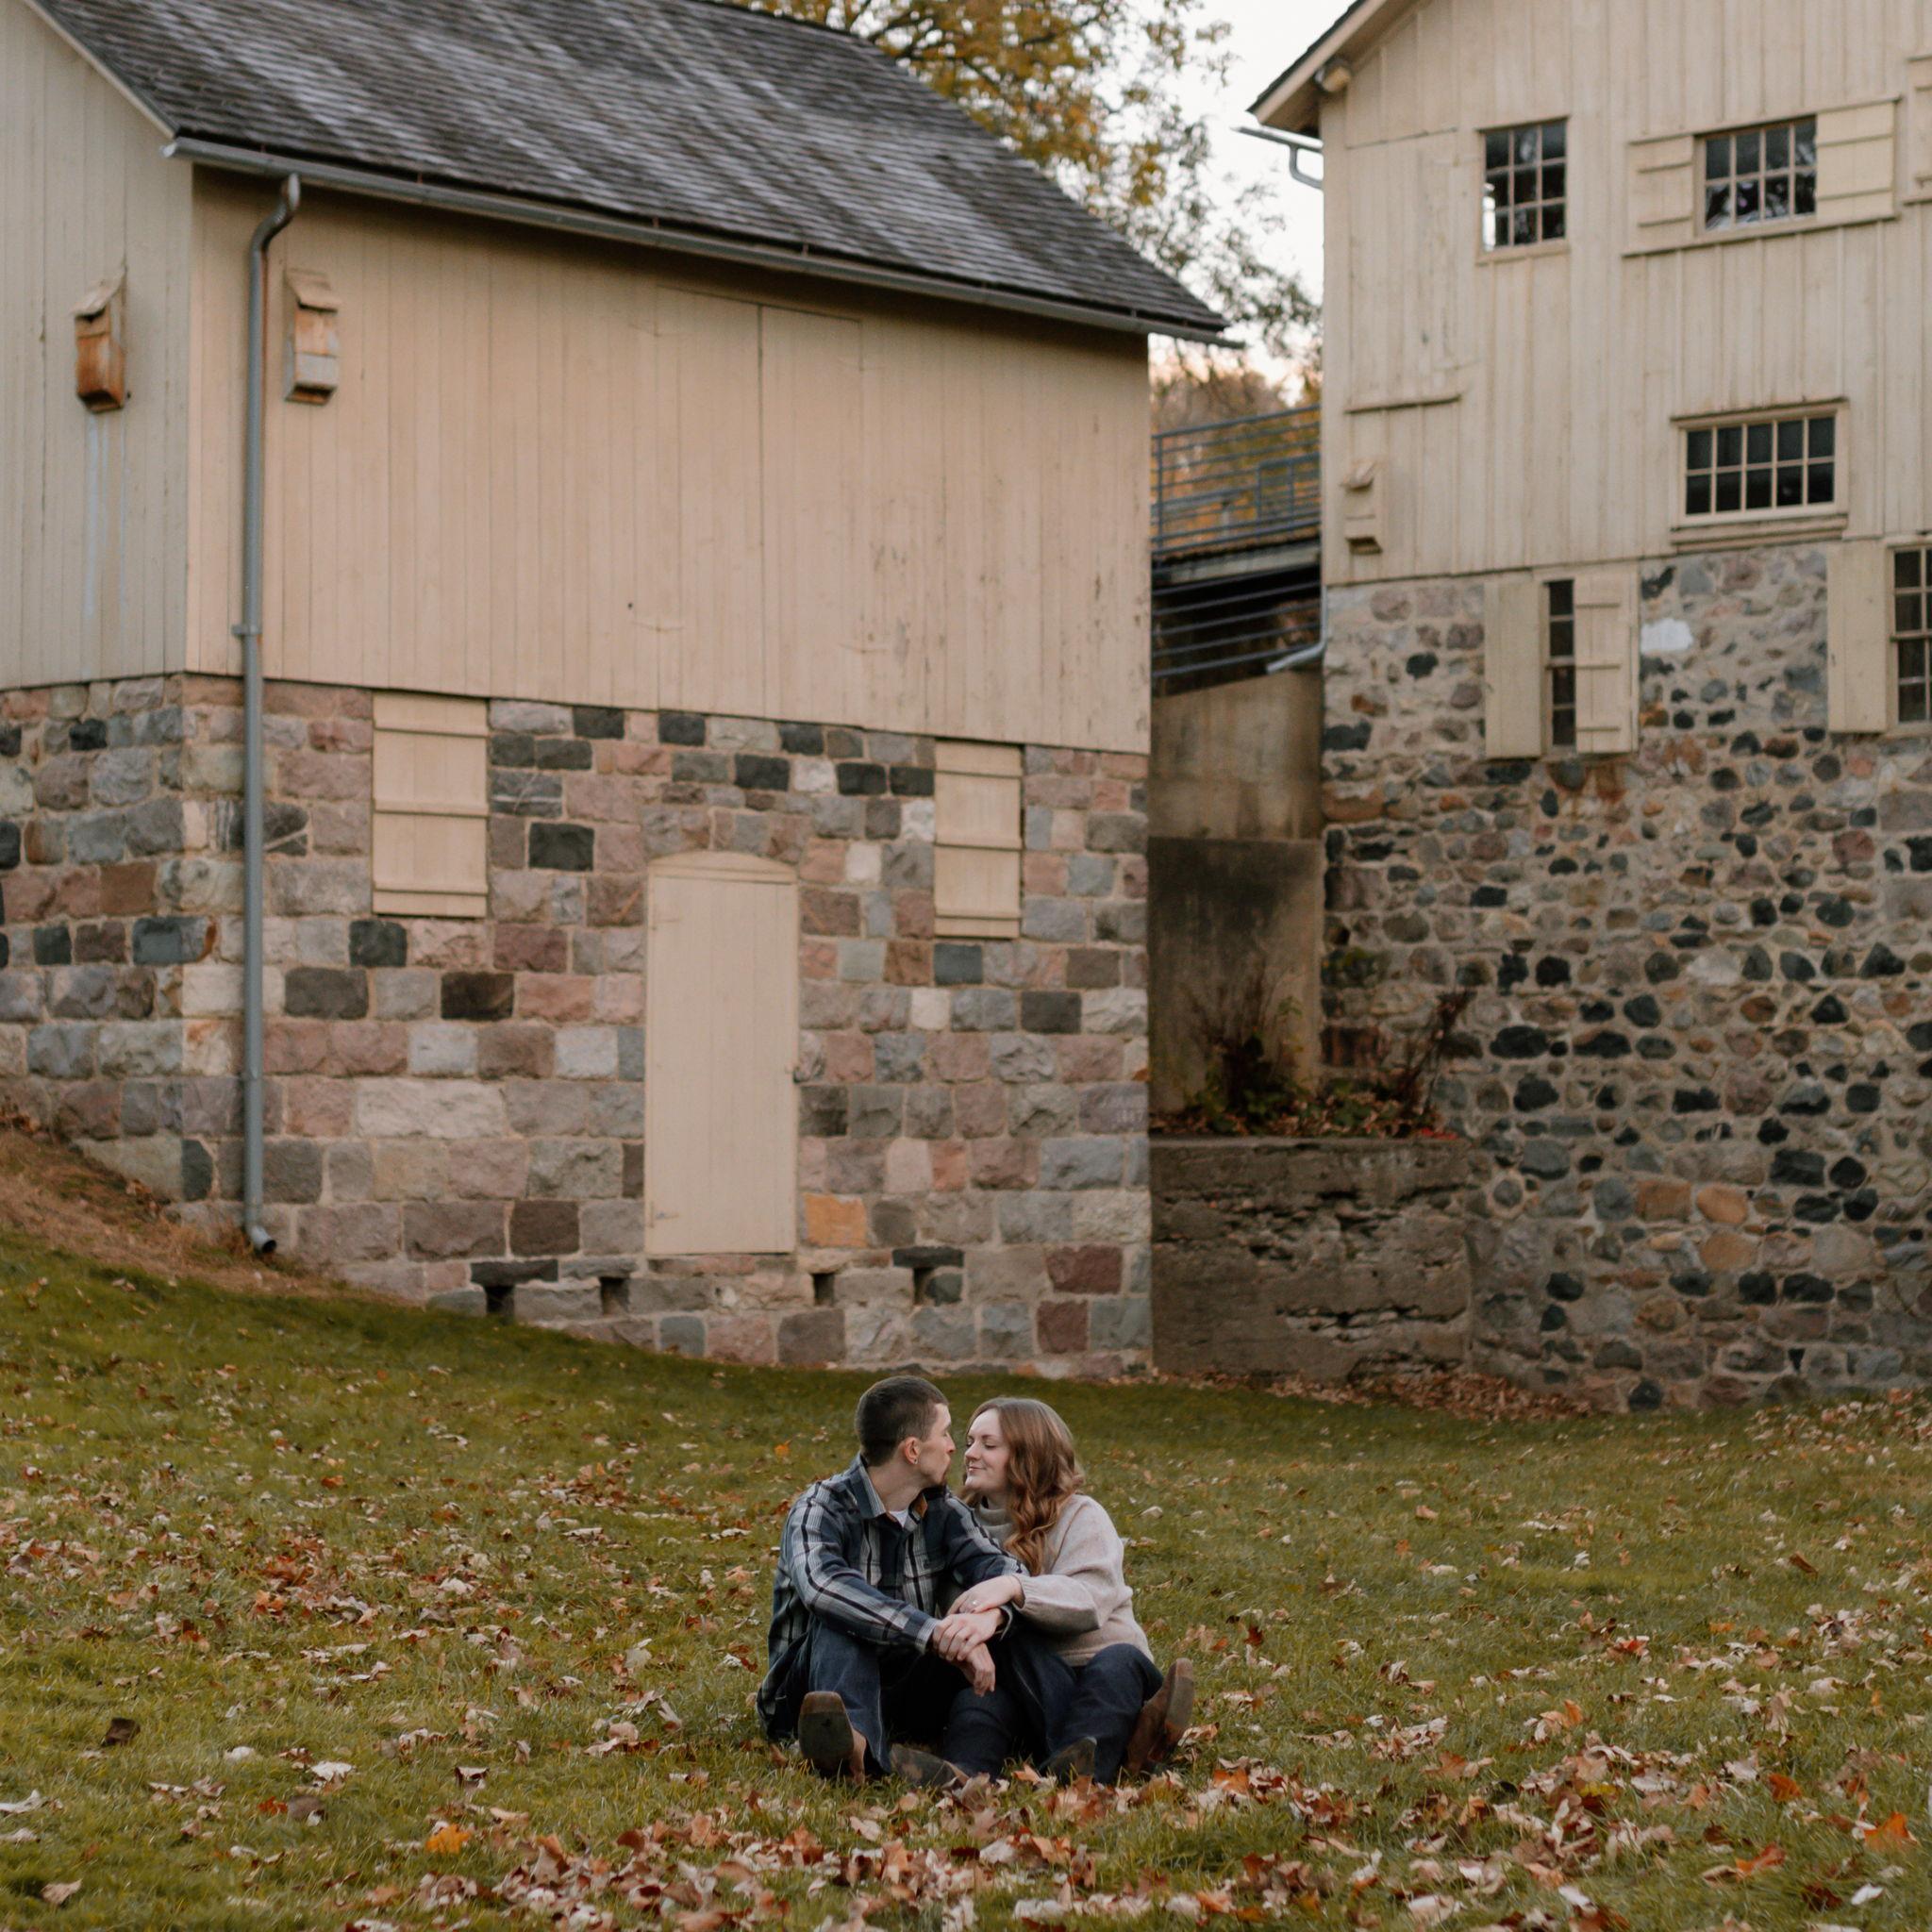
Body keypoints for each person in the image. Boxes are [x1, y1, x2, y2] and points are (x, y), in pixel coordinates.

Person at [758, 1374, 1024, 1782]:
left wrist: (984, 1621)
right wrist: (932, 1632)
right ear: (913, 1450)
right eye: (945, 1433)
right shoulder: (821, 1507)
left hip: (903, 1683)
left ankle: (972, 1766)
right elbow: (824, 1587)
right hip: (811, 1690)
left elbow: (1007, 1571)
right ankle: (849, 1746)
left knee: (1001, 1634)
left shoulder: (942, 1510)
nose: (954, 1446)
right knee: (841, 1618)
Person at [940, 1397, 1192, 1784]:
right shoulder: (957, 1525)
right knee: (979, 1699)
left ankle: (1077, 1775)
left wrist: (1012, 1587)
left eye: (989, 1445)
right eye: (970, 1442)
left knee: (1119, 1663)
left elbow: (1088, 1600)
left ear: (1029, 1456)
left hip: (1100, 1670)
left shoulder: (1081, 1515)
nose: (971, 1454)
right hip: (1024, 1682)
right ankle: (963, 1777)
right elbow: (954, 1606)